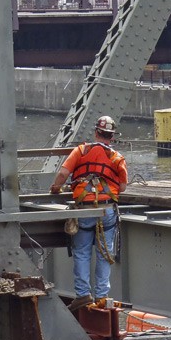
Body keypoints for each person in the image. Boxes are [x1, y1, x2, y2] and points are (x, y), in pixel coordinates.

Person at [49, 115, 128, 311]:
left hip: (83, 210)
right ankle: (101, 297)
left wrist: (56, 188)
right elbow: (123, 187)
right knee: (104, 254)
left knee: (82, 253)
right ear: (111, 136)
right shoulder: (116, 158)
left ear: (96, 132)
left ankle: (83, 295)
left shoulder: (80, 151)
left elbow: (62, 174)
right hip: (107, 211)